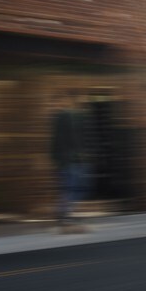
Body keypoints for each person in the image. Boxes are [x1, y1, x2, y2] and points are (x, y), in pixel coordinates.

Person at [50, 91, 92, 231]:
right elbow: (62, 140)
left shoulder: (69, 117)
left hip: (71, 159)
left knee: (74, 187)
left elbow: (58, 140)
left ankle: (64, 213)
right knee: (73, 187)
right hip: (69, 160)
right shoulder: (64, 116)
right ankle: (64, 214)